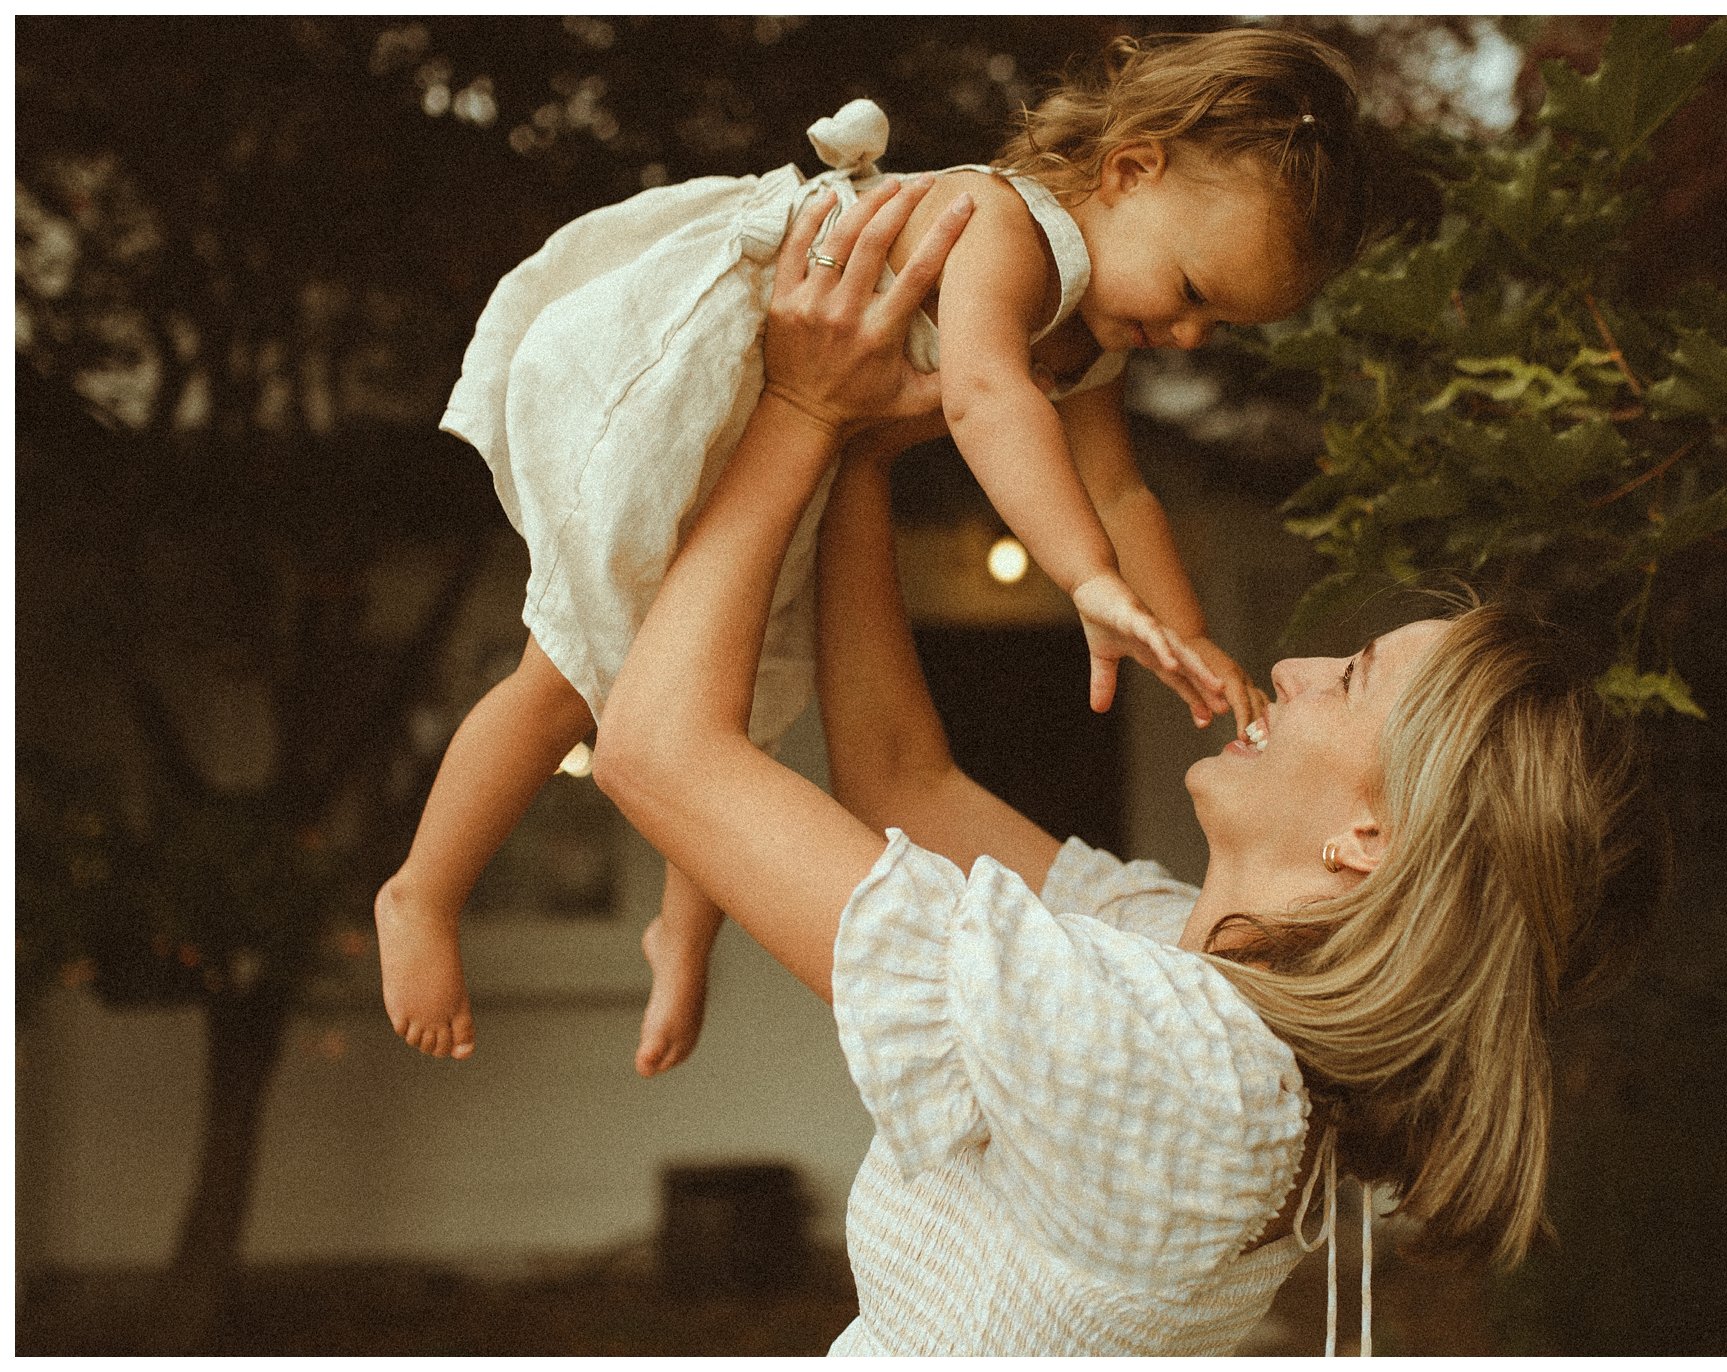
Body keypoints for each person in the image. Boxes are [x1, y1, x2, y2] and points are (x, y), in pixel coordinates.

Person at [593, 162, 1654, 1355]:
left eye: (1349, 680)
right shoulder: (1182, 970)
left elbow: (655, 753)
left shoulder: (1180, 1076)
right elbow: (902, 782)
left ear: (1372, 839)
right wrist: (862, 456)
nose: (1295, 669)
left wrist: (796, 412)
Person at [376, 27, 1375, 1071]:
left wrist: (1182, 637)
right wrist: (1082, 580)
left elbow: (1121, 491)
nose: (1187, 338)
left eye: (1219, 327)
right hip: (701, 393)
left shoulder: (1089, 331)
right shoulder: (1004, 227)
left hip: (788, 434)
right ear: (1129, 172)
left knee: (738, 694)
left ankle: (682, 929)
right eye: (1192, 293)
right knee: (570, 674)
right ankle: (424, 890)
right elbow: (985, 397)